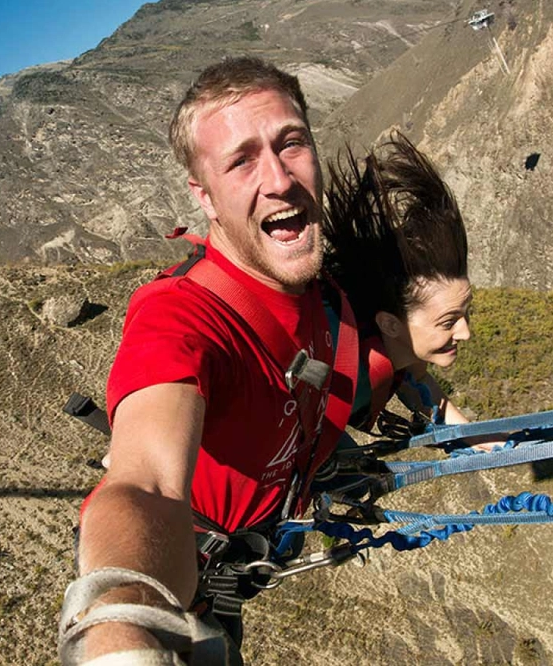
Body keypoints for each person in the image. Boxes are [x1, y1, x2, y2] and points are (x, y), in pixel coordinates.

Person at [60, 57, 363, 666]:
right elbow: (145, 482)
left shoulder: (320, 289)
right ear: (205, 197)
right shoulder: (180, 315)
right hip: (190, 585)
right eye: (241, 160)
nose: (279, 178)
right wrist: (121, 624)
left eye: (291, 143)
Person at [322, 132, 486, 438]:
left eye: (465, 314)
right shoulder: (337, 363)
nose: (465, 332)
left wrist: (486, 440)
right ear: (391, 324)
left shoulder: (396, 346)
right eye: (448, 321)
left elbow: (417, 383)